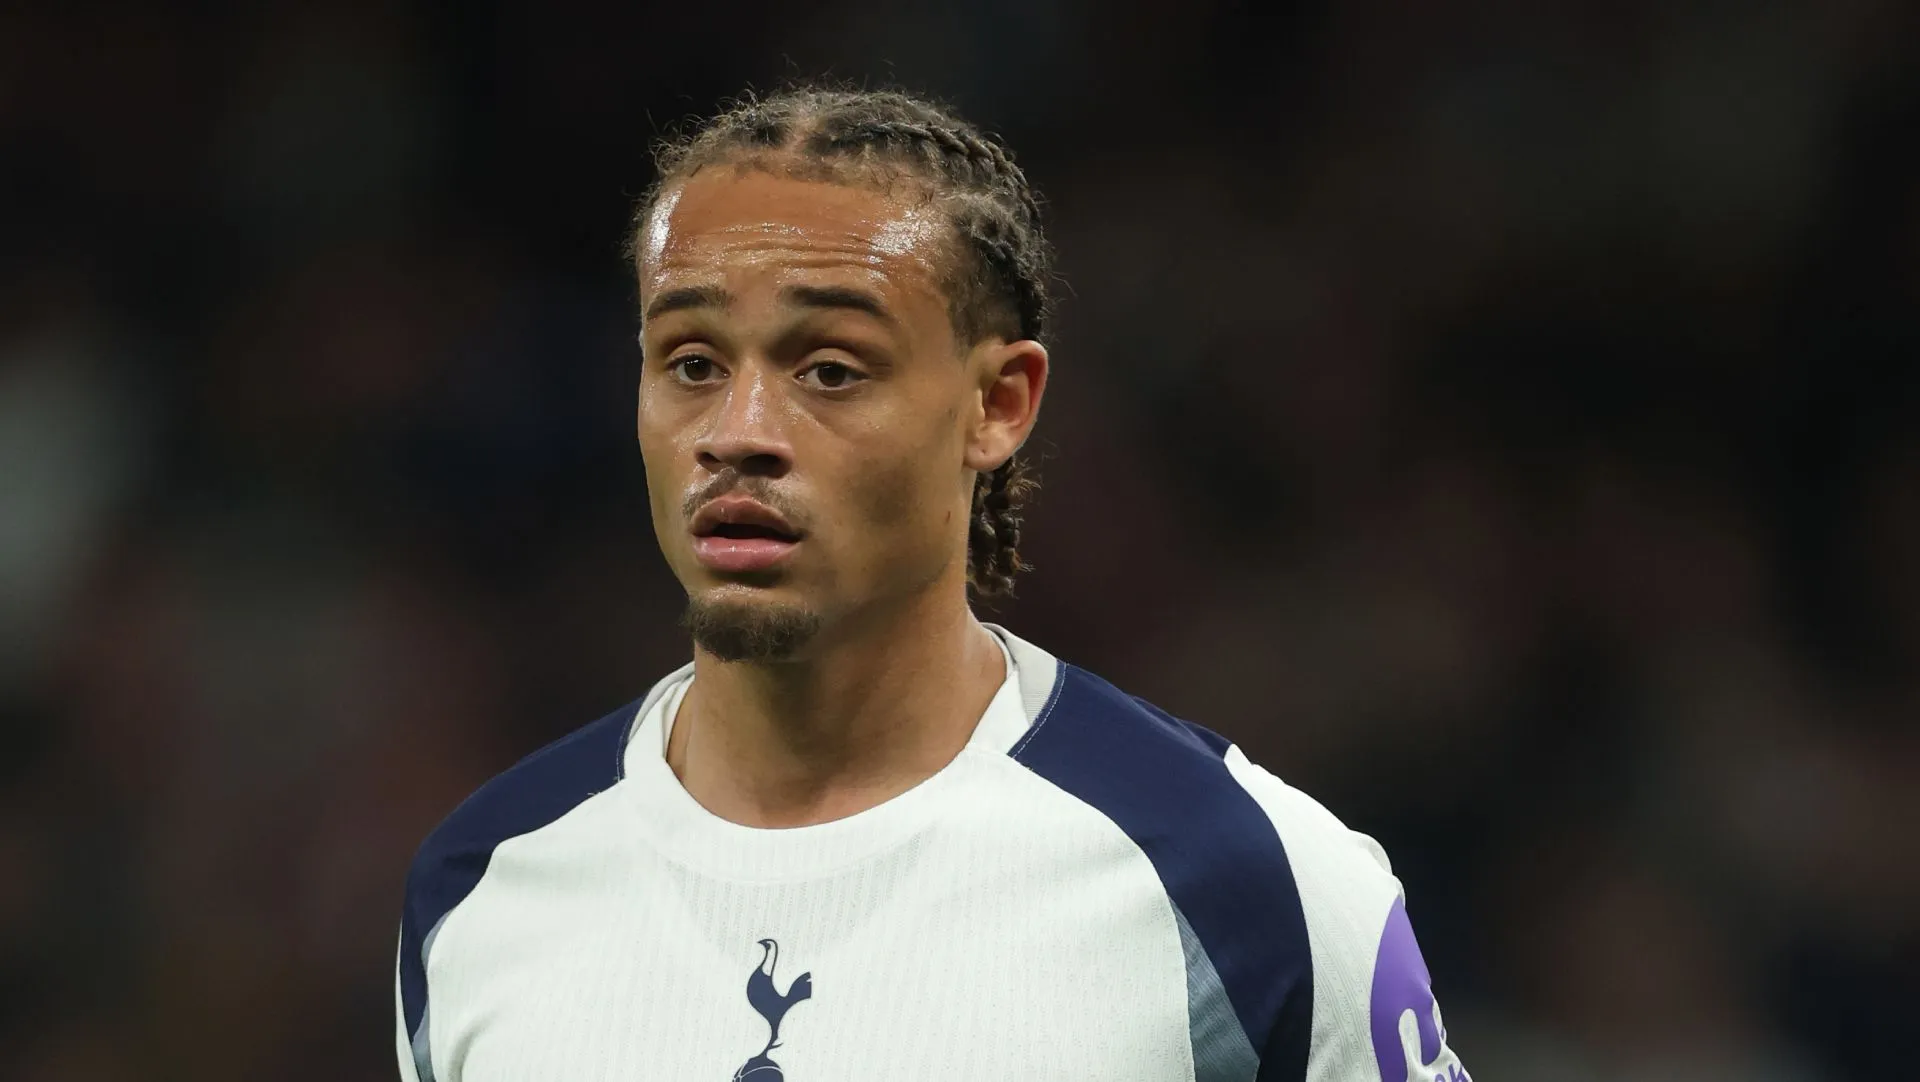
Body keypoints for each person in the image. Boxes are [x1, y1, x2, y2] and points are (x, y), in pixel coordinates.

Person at [393, 85, 1469, 1082]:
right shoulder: (482, 890)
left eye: (830, 369)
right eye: (691, 363)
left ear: (999, 402)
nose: (739, 433)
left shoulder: (1245, 880)